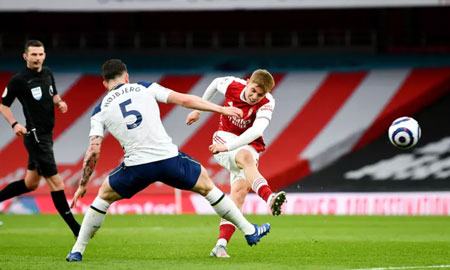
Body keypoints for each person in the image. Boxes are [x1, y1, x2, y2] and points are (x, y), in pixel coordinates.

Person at [66, 59, 271, 262]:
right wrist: (221, 109)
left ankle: (77, 250)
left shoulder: (99, 110)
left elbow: (93, 150)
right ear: (127, 76)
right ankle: (249, 230)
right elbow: (184, 100)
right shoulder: (144, 87)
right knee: (208, 187)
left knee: (102, 198)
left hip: (136, 167)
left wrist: (83, 185)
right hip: (168, 160)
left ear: (104, 83)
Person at [186, 69, 287, 258]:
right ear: (248, 82)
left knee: (238, 196)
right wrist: (198, 110)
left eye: (260, 94)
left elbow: (257, 131)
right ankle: (269, 198)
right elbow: (215, 82)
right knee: (247, 160)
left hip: (246, 144)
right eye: (254, 90)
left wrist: (231, 147)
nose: (255, 96)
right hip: (223, 138)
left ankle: (220, 245)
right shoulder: (232, 84)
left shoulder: (268, 102)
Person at [0, 40, 80, 237]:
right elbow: (3, 105)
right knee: (57, 183)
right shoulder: (19, 80)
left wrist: (60, 103)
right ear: (25, 56)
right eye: (33, 55)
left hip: (46, 135)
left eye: (40, 54)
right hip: (35, 136)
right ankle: (77, 230)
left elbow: (53, 94)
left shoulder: (48, 73)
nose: (37, 58)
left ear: (44, 55)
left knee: (30, 184)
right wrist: (14, 124)